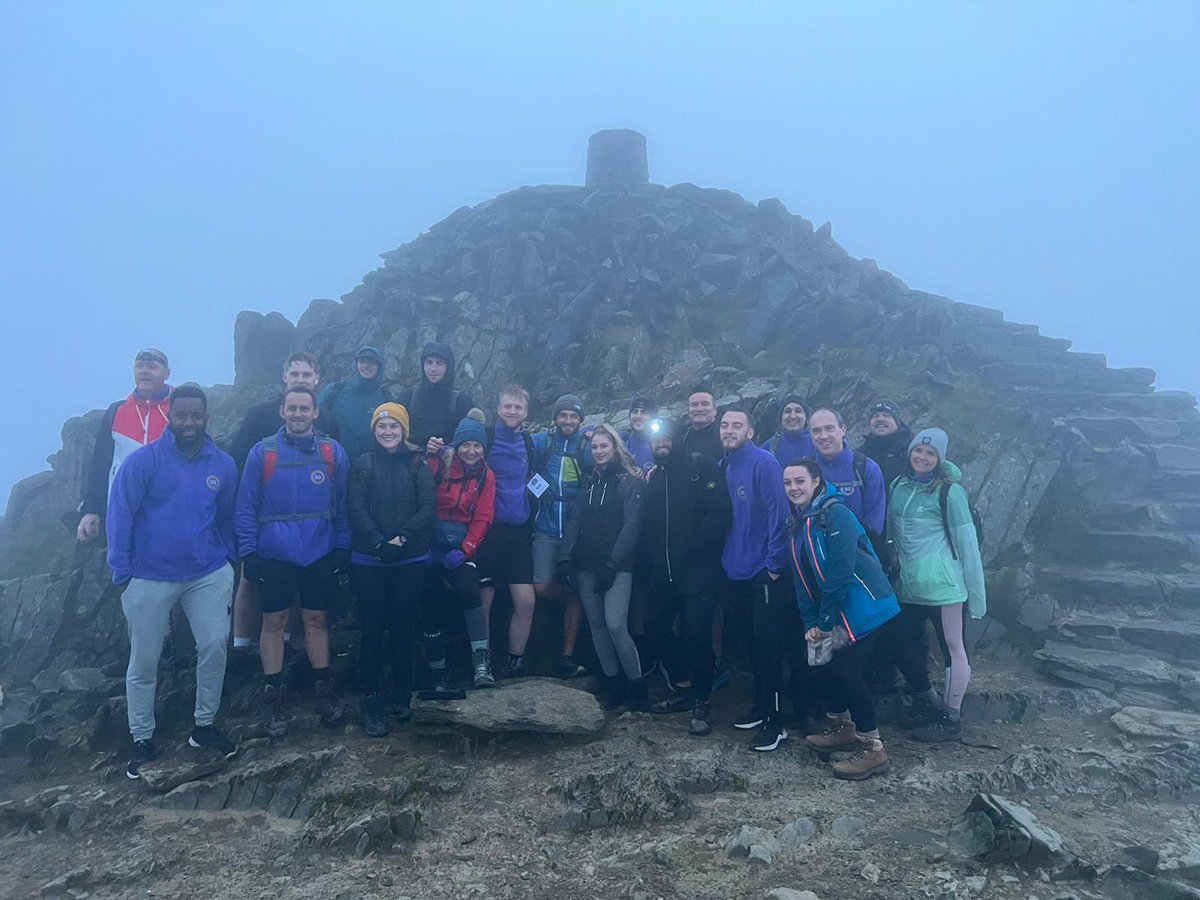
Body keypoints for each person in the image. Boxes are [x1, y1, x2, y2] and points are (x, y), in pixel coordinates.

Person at [106, 384, 237, 779]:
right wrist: (122, 572)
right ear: (171, 416)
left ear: (206, 418)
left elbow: (228, 517)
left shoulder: (223, 464)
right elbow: (120, 514)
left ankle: (203, 727)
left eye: (196, 416)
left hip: (207, 572)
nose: (189, 422)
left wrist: (228, 560)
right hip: (148, 575)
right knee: (144, 660)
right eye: (181, 415)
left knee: (214, 644)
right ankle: (142, 739)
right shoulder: (143, 462)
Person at [236, 386, 351, 737]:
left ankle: (323, 690)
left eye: (305, 409)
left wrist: (343, 547)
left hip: (320, 549)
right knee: (274, 621)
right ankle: (274, 693)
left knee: (317, 619)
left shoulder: (333, 452)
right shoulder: (262, 453)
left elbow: (343, 505)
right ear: (281, 411)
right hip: (275, 552)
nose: (298, 414)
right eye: (292, 408)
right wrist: (248, 552)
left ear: (316, 413)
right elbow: (245, 506)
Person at [784, 459, 900, 780]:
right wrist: (811, 623)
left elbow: (840, 571)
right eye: (788, 483)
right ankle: (841, 726)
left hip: (865, 604)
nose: (794, 488)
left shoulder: (836, 514)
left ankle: (872, 748)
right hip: (839, 610)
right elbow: (802, 580)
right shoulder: (799, 522)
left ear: (816, 481)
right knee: (832, 667)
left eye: (800, 481)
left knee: (847, 672)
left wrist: (825, 621)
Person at [227, 351, 339, 653]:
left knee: (298, 580)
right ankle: (240, 642)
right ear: (284, 376)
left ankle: (286, 638)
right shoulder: (259, 414)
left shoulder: (326, 418)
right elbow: (237, 463)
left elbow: (335, 472)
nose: (300, 379)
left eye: (306, 375)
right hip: (263, 514)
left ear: (317, 380)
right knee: (249, 578)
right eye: (295, 374)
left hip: (308, 517)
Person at [888, 428, 986, 743]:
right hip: (908, 584)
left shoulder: (950, 492)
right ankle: (929, 699)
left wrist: (977, 595)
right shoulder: (898, 486)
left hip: (945, 587)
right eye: (918, 451)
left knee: (952, 648)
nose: (922, 457)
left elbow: (967, 543)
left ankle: (950, 718)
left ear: (940, 459)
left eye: (930, 454)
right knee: (899, 643)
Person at [347, 403, 436, 736]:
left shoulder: (417, 463)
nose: (388, 432)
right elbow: (354, 506)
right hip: (368, 559)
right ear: (374, 431)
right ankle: (371, 699)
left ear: (404, 431)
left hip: (409, 558)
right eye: (382, 427)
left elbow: (428, 506)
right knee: (372, 627)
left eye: (394, 427)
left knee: (403, 625)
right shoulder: (362, 464)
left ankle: (402, 691)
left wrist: (401, 539)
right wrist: (377, 542)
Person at [640, 417, 732, 735]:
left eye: (665, 438)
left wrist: (691, 550)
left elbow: (719, 514)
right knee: (653, 624)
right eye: (655, 441)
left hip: (700, 570)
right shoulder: (654, 478)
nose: (660, 444)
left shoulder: (700, 467)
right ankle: (683, 684)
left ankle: (702, 702)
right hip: (664, 571)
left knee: (698, 635)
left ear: (676, 438)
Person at [718, 408, 802, 752]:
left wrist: (773, 563)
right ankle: (760, 706)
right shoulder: (725, 465)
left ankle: (776, 722)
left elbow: (780, 513)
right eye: (724, 425)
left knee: (770, 648)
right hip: (734, 570)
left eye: (737, 425)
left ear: (750, 432)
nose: (729, 430)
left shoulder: (764, 462)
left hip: (764, 572)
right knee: (752, 645)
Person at [559, 425, 646, 710]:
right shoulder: (588, 480)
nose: (599, 451)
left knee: (616, 624)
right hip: (586, 562)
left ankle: (636, 686)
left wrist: (613, 563)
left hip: (617, 564)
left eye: (604, 446)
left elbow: (632, 525)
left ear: (615, 448)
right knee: (596, 626)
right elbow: (576, 518)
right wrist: (565, 555)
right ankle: (612, 683)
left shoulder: (627, 480)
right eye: (595, 447)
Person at [423, 411, 496, 692]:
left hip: (461, 544)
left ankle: (481, 662)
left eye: (477, 446)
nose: (471, 451)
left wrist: (466, 550)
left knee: (469, 590)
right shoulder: (438, 464)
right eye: (466, 445)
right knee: (430, 596)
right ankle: (437, 671)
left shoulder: (486, 475)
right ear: (456, 445)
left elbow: (484, 516)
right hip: (430, 544)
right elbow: (421, 502)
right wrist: (424, 545)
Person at [475, 386, 539, 678]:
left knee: (526, 601)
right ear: (498, 408)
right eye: (507, 406)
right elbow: (459, 454)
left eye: (518, 407)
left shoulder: (528, 441)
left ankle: (516, 663)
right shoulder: (485, 437)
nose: (512, 411)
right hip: (487, 531)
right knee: (484, 602)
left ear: (526, 412)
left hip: (518, 533)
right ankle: (483, 663)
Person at [78, 348, 173, 542]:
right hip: (122, 512)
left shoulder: (180, 409)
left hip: (170, 509)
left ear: (167, 373)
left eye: (152, 367)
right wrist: (91, 510)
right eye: (139, 366)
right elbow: (100, 464)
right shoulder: (117, 411)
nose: (144, 371)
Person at [531, 393, 594, 679]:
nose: (567, 420)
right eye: (563, 415)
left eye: (573, 416)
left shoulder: (586, 445)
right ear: (555, 418)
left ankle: (567, 656)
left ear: (581, 420)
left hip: (576, 530)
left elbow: (614, 451)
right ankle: (576, 597)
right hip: (545, 526)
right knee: (542, 585)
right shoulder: (542, 443)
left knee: (573, 589)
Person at [808, 408, 887, 536]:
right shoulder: (805, 470)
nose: (823, 436)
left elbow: (874, 522)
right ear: (810, 435)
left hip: (857, 550)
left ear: (843, 430)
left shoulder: (867, 468)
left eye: (829, 428)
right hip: (816, 551)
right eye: (816, 431)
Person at [399, 342, 475, 454]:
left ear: (448, 366)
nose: (433, 369)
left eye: (439, 363)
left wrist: (445, 448)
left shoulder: (461, 402)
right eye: (429, 362)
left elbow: (473, 439)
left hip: (448, 466)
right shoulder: (408, 396)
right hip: (409, 465)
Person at [318, 346, 391, 461]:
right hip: (335, 463)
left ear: (379, 366)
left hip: (373, 469)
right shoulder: (334, 390)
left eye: (371, 362)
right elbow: (315, 423)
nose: (366, 366)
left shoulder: (386, 397)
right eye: (362, 361)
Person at [858, 399, 914, 490]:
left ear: (897, 422)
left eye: (887, 416)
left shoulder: (912, 452)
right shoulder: (860, 456)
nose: (880, 419)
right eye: (875, 416)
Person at [760, 393, 815, 463]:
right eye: (788, 411)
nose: (792, 416)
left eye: (798, 411)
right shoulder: (770, 446)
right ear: (781, 417)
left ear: (806, 417)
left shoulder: (817, 443)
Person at [680, 388, 723, 462]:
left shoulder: (726, 436)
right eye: (694, 405)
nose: (699, 409)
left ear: (715, 410)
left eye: (705, 404)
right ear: (688, 411)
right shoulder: (682, 436)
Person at [621, 395, 658, 477]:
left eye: (644, 412)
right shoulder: (622, 440)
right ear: (629, 417)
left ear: (653, 417)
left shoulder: (662, 443)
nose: (638, 416)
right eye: (635, 412)